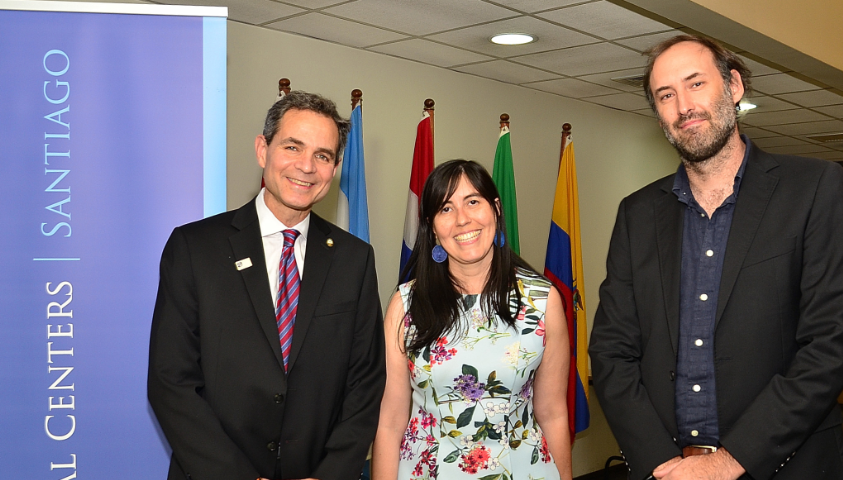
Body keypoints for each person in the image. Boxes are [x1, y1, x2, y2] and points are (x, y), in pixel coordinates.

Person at [589, 34, 843, 480]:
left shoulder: (815, 188)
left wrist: (728, 463)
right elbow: (611, 354)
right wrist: (659, 464)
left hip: (788, 466)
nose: (683, 105)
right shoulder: (637, 213)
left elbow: (828, 346)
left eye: (696, 84)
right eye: (665, 95)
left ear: (735, 87)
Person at [148, 91, 385, 480]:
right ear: (263, 149)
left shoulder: (354, 259)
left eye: (323, 155)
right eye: (293, 147)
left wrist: (330, 474)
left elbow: (366, 380)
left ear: (335, 167)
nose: (306, 166)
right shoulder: (195, 247)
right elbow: (170, 380)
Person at [372, 160, 573, 480]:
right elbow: (390, 421)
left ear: (495, 209)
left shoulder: (542, 300)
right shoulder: (406, 305)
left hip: (523, 469)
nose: (463, 219)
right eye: (446, 209)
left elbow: (553, 414)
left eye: (473, 202)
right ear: (432, 226)